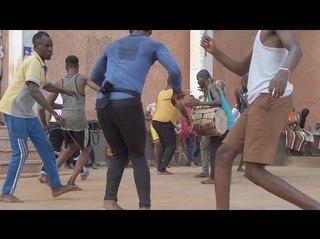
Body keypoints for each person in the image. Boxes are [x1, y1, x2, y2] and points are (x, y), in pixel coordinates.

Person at [201, 30, 320, 209]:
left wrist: (284, 71)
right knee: (223, 155)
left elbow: (296, 49)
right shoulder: (260, 34)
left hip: (270, 98)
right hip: (258, 101)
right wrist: (215, 50)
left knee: (254, 171)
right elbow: (241, 67)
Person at [91, 30, 186, 210]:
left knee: (119, 153)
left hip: (103, 103)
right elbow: (174, 70)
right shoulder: (154, 45)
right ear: (150, 31)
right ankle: (144, 206)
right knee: (138, 155)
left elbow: (95, 76)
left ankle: (109, 201)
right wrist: (177, 90)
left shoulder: (112, 46)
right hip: (127, 102)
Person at [0, 31, 77, 203]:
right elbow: (34, 90)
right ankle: (6, 192)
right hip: (15, 112)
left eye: (52, 46)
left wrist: (64, 91)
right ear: (36, 47)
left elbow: (46, 85)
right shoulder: (33, 62)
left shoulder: (40, 64)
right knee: (21, 152)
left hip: (27, 114)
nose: (51, 49)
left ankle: (56, 187)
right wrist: (55, 113)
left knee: (47, 149)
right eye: (46, 46)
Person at [38, 55, 100, 189]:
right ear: (77, 66)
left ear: (66, 67)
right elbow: (99, 89)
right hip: (78, 120)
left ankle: (49, 174)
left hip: (64, 121)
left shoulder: (59, 82)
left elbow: (48, 104)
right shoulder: (82, 78)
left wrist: (63, 108)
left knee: (70, 148)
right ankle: (71, 181)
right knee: (86, 149)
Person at [189, 77, 235, 184]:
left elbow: (218, 102)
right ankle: (220, 176)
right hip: (224, 123)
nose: (197, 81)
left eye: (198, 79)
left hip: (224, 123)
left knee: (214, 150)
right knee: (217, 150)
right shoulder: (213, 88)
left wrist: (199, 104)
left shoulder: (211, 87)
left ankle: (214, 178)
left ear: (204, 78)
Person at [152, 80, 191, 174]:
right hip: (165, 121)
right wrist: (188, 119)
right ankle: (162, 168)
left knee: (164, 145)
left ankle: (160, 168)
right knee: (171, 145)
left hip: (156, 120)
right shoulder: (174, 92)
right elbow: (181, 107)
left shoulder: (161, 92)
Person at [234, 74, 248, 172]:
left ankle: (241, 166)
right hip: (243, 119)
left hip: (249, 120)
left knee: (246, 144)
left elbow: (249, 105)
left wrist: (241, 96)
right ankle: (240, 166)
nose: (241, 85)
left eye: (242, 83)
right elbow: (239, 108)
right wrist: (237, 97)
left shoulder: (251, 93)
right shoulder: (244, 93)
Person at [145, 101, 160, 166]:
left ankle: (163, 162)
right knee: (157, 144)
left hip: (164, 126)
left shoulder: (165, 105)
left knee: (164, 144)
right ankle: (158, 163)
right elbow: (145, 117)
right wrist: (152, 118)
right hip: (154, 126)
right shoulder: (151, 105)